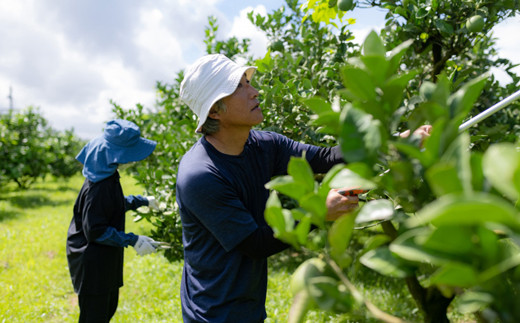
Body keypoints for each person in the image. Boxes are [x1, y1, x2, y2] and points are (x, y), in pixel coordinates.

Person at [176, 54, 362, 323]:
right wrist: (317, 212)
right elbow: (255, 243)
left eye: (247, 82)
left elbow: (327, 158)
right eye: (239, 87)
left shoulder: (264, 145)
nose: (254, 92)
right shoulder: (201, 175)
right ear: (214, 111)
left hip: (249, 306)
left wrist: (392, 143)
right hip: (213, 314)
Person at [66, 119, 161, 323]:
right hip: (93, 264)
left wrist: (141, 201)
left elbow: (113, 205)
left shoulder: (105, 175)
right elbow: (96, 231)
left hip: (103, 259)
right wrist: (132, 240)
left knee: (107, 310)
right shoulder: (98, 188)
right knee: (95, 316)